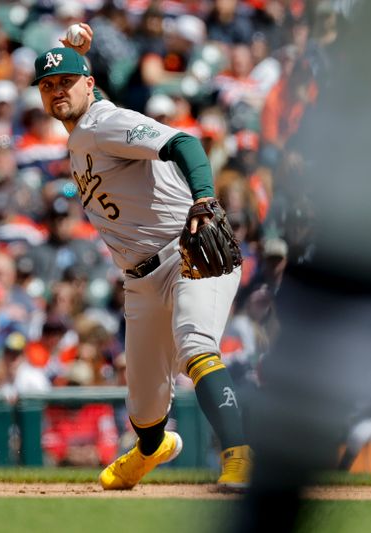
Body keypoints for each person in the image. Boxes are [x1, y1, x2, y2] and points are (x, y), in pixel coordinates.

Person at [31, 25, 250, 491]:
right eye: (48, 86)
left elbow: (184, 143)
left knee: (196, 347)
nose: (56, 92)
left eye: (66, 82)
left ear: (88, 85)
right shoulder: (81, 133)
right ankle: (152, 449)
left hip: (188, 253)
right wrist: (78, 60)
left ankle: (241, 456)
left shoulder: (100, 122)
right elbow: (96, 112)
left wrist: (205, 200)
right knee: (145, 411)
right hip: (140, 280)